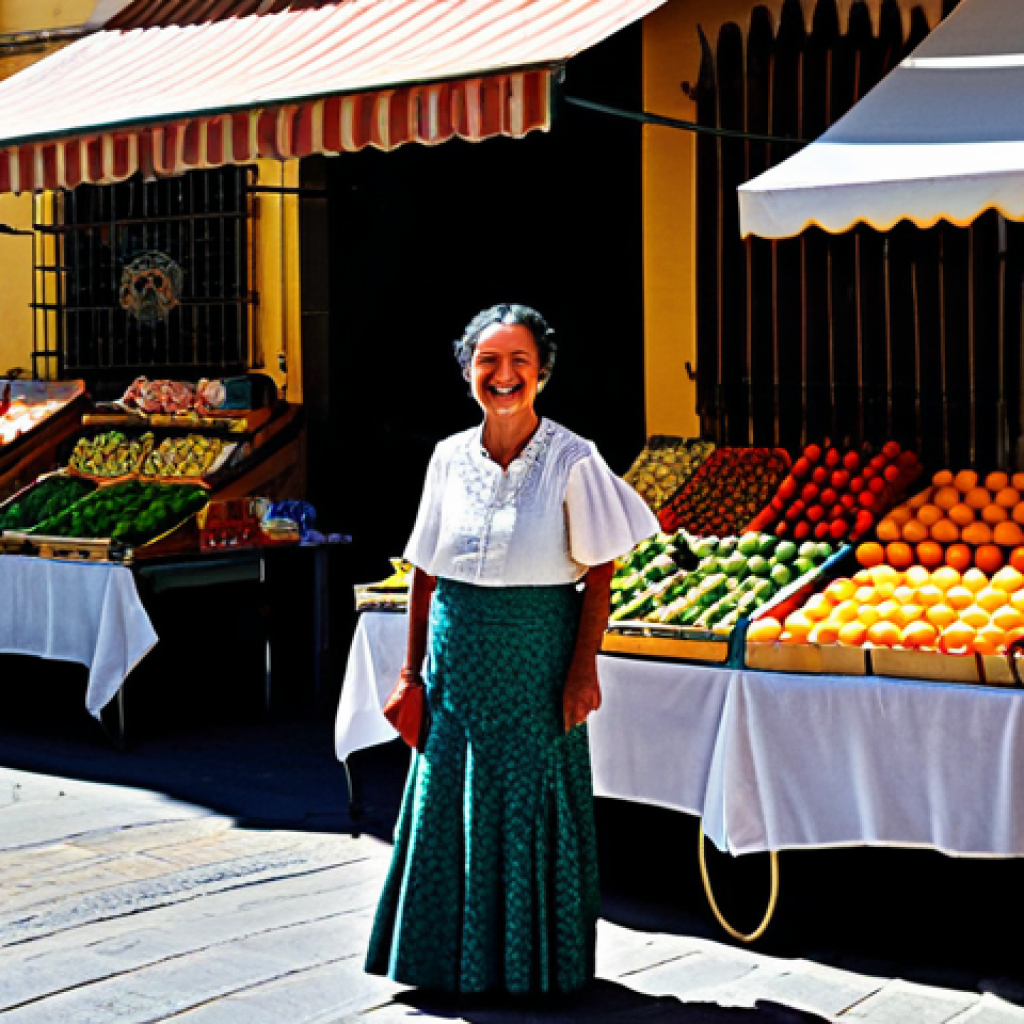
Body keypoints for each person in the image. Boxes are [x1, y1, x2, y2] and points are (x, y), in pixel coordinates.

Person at [365, 303, 658, 996]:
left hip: (536, 655)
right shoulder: (446, 458)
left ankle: (533, 967)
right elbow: (425, 572)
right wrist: (411, 674)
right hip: (457, 656)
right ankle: (443, 962)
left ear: (543, 374)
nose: (503, 376)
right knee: (449, 797)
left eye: (518, 363)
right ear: (468, 371)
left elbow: (601, 570)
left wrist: (583, 668)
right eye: (488, 362)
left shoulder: (575, 458)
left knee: (529, 799)